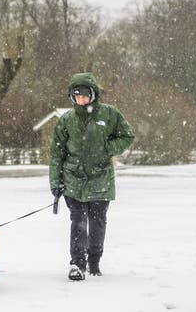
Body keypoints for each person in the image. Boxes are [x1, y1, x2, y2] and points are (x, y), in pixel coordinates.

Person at [49, 72, 134, 281]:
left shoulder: (109, 114)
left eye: (85, 95)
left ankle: (94, 261)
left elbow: (127, 136)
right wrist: (56, 182)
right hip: (73, 181)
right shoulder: (67, 120)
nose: (81, 99)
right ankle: (77, 263)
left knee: (97, 223)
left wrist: (108, 148)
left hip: (100, 181)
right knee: (78, 222)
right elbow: (57, 153)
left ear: (93, 94)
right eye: (76, 95)